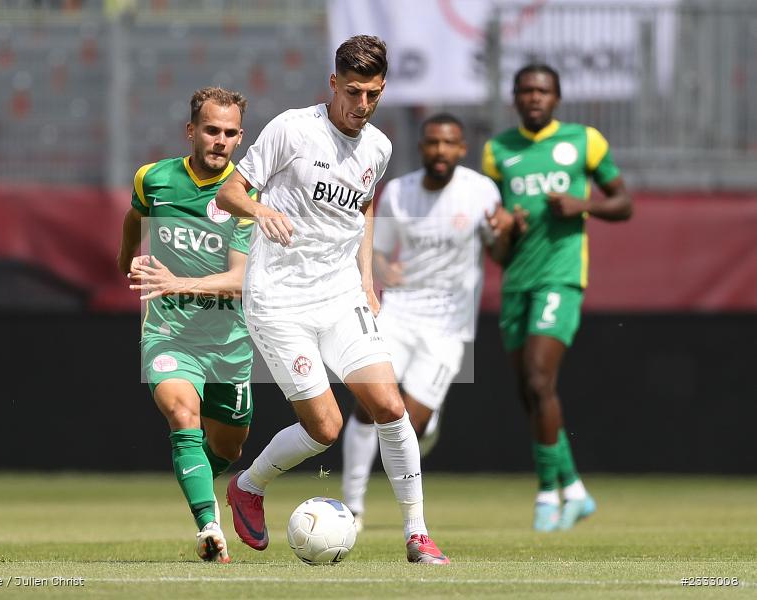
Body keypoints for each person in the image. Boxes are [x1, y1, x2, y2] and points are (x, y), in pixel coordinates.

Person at [215, 35, 449, 564]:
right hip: (278, 299)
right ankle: (247, 487)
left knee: (391, 408)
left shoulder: (379, 147)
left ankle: (417, 533)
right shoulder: (292, 129)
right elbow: (228, 191)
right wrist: (259, 212)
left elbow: (362, 207)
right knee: (326, 429)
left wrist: (366, 279)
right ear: (333, 84)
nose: (361, 106)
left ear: (383, 89)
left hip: (340, 294)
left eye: (373, 94)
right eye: (353, 92)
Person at [341, 113, 513, 532]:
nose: (440, 151)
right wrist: (384, 269)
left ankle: (428, 422)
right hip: (399, 311)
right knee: (370, 406)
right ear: (422, 147)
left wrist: (506, 230)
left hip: (449, 326)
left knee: (409, 427)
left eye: (448, 143)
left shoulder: (481, 192)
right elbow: (376, 252)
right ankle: (353, 507)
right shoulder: (399, 193)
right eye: (432, 143)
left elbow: (502, 255)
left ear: (461, 148)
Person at [481, 64, 632, 531]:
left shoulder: (584, 141)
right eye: (525, 90)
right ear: (514, 97)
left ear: (557, 97)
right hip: (516, 281)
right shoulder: (496, 152)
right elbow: (495, 240)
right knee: (530, 392)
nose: (534, 97)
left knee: (539, 379)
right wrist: (506, 229)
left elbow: (624, 203)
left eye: (542, 90)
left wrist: (584, 205)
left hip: (561, 278)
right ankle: (576, 490)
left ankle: (547, 493)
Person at [116, 87, 255, 562]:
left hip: (229, 343)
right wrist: (126, 260)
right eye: (211, 130)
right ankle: (209, 527)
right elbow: (136, 215)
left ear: (240, 138)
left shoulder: (245, 194)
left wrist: (178, 281)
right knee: (182, 416)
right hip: (169, 333)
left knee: (230, 449)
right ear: (191, 131)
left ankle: (196, 471)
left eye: (230, 133)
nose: (220, 140)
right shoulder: (153, 178)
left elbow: (239, 282)